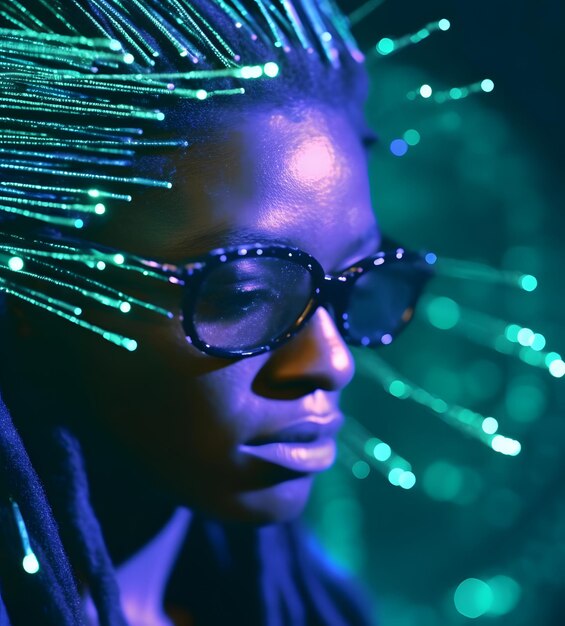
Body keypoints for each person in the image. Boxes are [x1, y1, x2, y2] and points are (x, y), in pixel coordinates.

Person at [0, 1, 432, 624]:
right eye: (244, 295)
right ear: (31, 281)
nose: (331, 362)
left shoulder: (306, 608)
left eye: (354, 283)